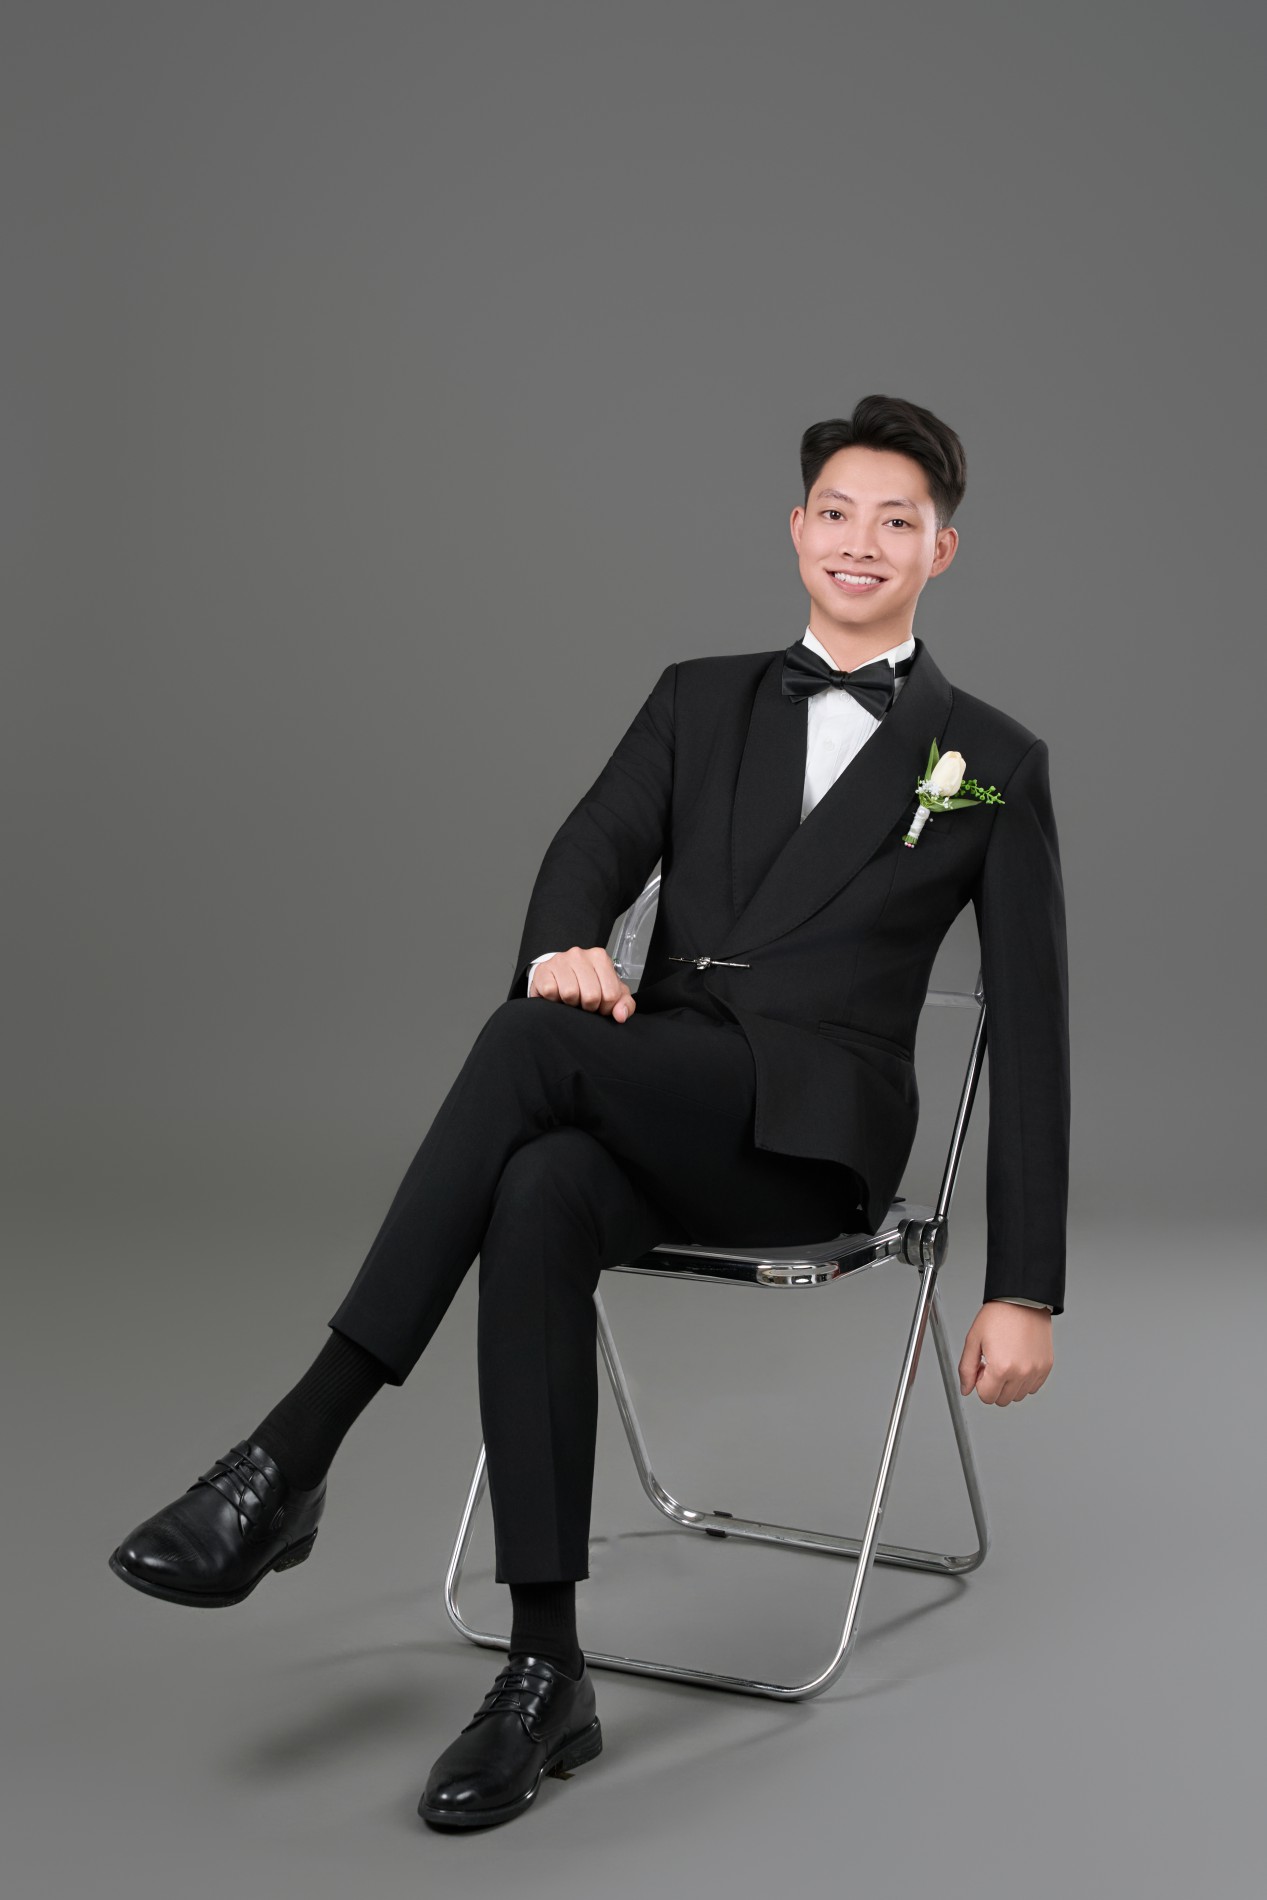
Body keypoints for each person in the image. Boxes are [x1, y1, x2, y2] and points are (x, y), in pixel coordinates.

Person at [108, 393, 1070, 1832]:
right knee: (538, 1188)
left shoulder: (989, 755)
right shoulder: (697, 697)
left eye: (896, 521)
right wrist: (568, 940)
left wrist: (1025, 1287)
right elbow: (590, 847)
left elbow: (1038, 1029)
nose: (859, 542)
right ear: (795, 529)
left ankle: (292, 1453)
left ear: (943, 549)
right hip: (658, 1091)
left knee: (527, 1049)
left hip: (809, 1142)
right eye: (835, 513)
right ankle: (546, 1670)